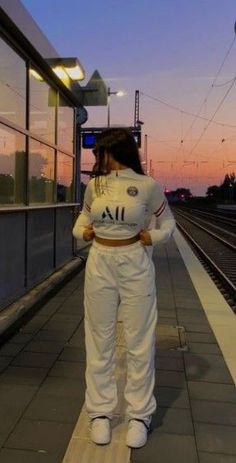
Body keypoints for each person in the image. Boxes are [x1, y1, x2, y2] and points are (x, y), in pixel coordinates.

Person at [72, 127, 175, 448]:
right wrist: (82, 233)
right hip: (99, 261)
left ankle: (139, 415)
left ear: (115, 151)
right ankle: (100, 412)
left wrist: (153, 236)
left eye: (100, 152)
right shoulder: (95, 185)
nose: (97, 158)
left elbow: (167, 221)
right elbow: (82, 218)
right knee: (98, 337)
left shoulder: (147, 186)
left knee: (139, 341)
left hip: (134, 262)